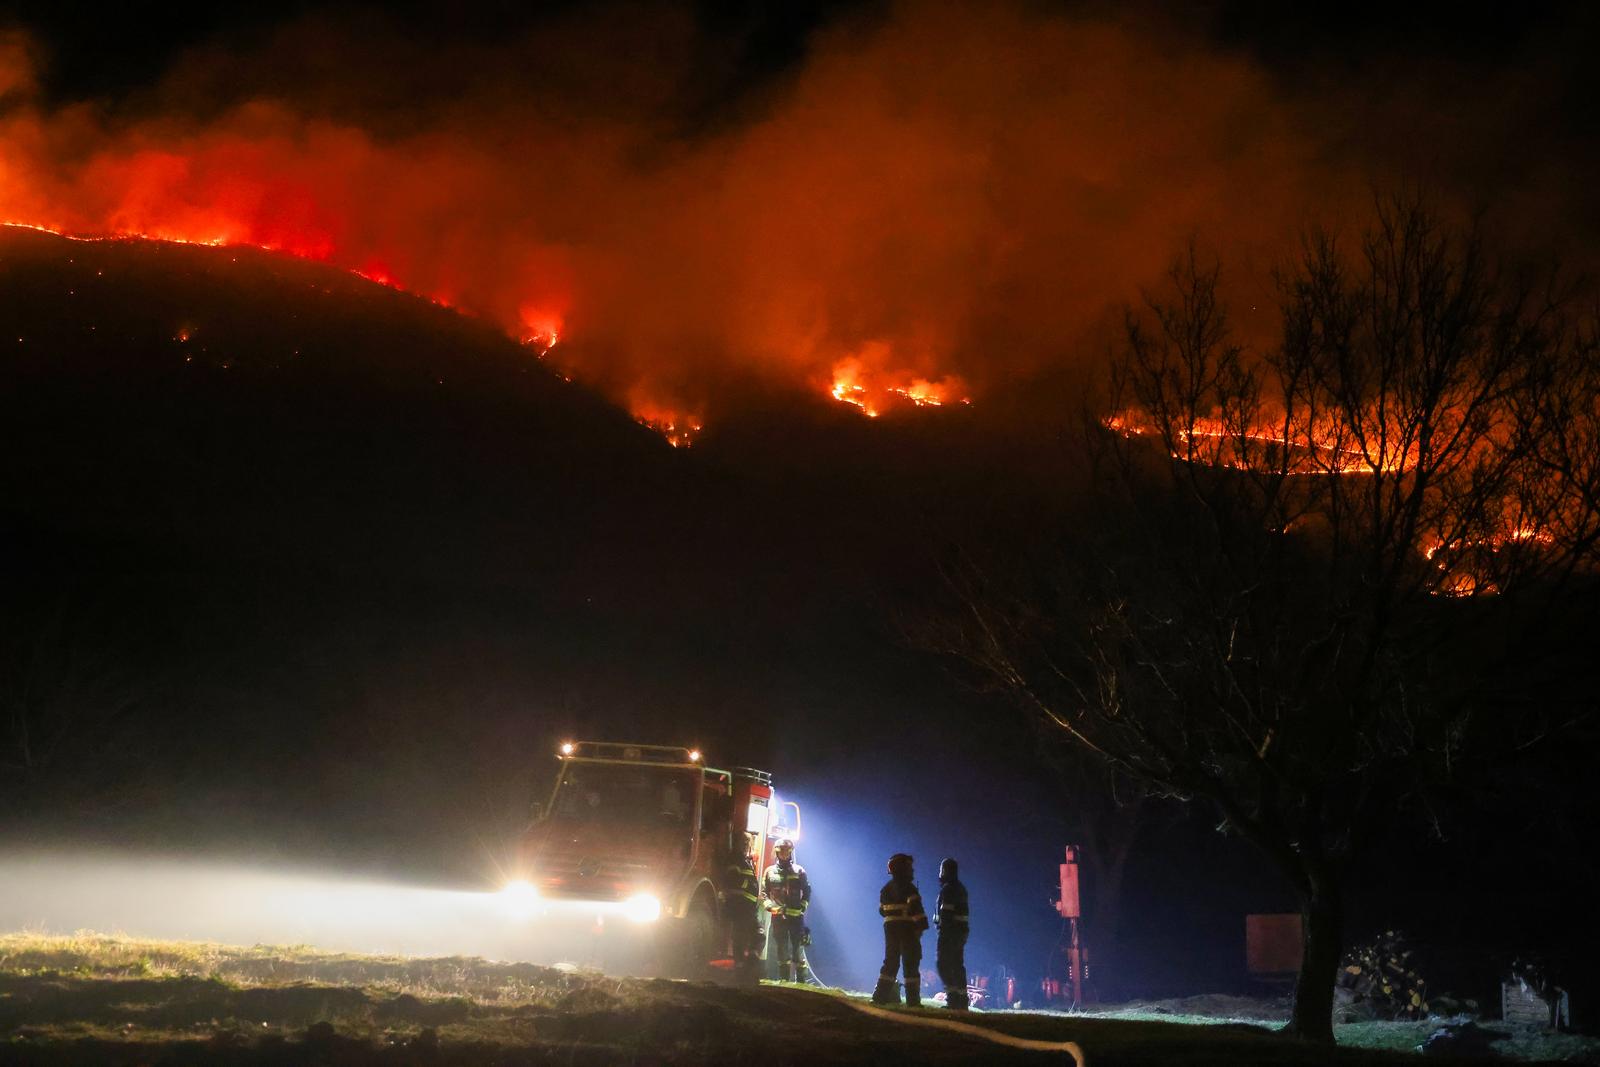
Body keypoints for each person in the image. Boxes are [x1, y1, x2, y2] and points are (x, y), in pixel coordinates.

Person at [874, 852, 928, 1006]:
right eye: (909, 867)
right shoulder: (910, 888)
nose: (912, 870)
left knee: (890, 962)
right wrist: (921, 926)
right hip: (908, 930)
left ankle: (880, 996)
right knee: (911, 963)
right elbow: (917, 909)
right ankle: (913, 1001)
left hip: (890, 929)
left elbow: (881, 911)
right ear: (902, 868)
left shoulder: (885, 889)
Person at [762, 838, 811, 982]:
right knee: (782, 949)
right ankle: (784, 982)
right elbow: (764, 893)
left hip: (796, 917)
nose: (784, 854)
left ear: (790, 852)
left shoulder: (799, 870)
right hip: (778, 917)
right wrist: (770, 906)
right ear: (777, 852)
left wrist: (803, 906)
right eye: (781, 852)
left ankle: (802, 983)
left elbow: (807, 891)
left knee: (797, 950)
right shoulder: (769, 872)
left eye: (787, 851)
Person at [718, 834, 763, 984]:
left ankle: (748, 961)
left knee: (756, 934)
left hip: (747, 907)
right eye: (742, 843)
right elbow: (732, 879)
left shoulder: (744, 861)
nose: (745, 846)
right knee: (742, 937)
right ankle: (741, 968)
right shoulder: (735, 859)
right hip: (739, 905)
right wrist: (749, 885)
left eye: (747, 843)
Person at [935, 857, 969, 1010]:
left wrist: (943, 930)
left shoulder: (948, 889)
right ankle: (961, 1000)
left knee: (943, 965)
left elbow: (946, 914)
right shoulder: (961, 888)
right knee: (957, 965)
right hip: (960, 933)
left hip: (949, 933)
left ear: (944, 871)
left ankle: (953, 998)